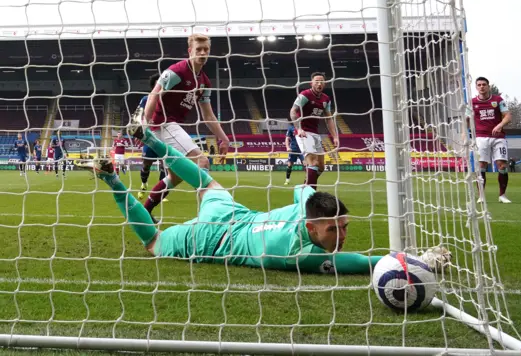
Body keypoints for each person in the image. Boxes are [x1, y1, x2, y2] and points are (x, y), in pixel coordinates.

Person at [76, 123, 396, 274]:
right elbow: (358, 262)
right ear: (311, 229)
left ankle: (144, 141)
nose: (341, 236)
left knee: (204, 179)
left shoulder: (307, 204)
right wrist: (396, 261)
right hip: (214, 242)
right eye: (333, 230)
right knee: (154, 243)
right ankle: (113, 177)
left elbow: (304, 190)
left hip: (237, 216)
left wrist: (309, 189)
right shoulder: (298, 255)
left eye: (343, 227)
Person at [141, 34, 229, 217]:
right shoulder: (176, 71)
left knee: (176, 176)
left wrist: (224, 138)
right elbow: (154, 94)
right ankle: (208, 218)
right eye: (199, 49)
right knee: (202, 161)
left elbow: (207, 114)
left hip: (170, 126)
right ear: (190, 51)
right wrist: (144, 124)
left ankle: (145, 210)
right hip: (162, 124)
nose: (203, 53)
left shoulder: (205, 82)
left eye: (206, 49)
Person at [289, 72, 339, 190]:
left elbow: (329, 118)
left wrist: (335, 136)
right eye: (316, 81)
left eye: (321, 81)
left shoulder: (326, 99)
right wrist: (299, 128)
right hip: (304, 133)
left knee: (321, 167)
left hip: (315, 133)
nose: (319, 83)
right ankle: (311, 196)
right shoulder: (304, 95)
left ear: (325, 84)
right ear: (311, 83)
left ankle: (306, 186)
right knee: (313, 163)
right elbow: (293, 111)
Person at [467, 77, 512, 203]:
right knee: (481, 165)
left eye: (484, 84)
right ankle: (481, 196)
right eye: (479, 85)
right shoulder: (471, 102)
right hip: (481, 138)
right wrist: (464, 134)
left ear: (488, 86)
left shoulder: (498, 100)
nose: (482, 87)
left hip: (498, 137)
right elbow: (466, 119)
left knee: (502, 165)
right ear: (476, 87)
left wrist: (500, 125)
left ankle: (502, 195)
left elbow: (508, 115)